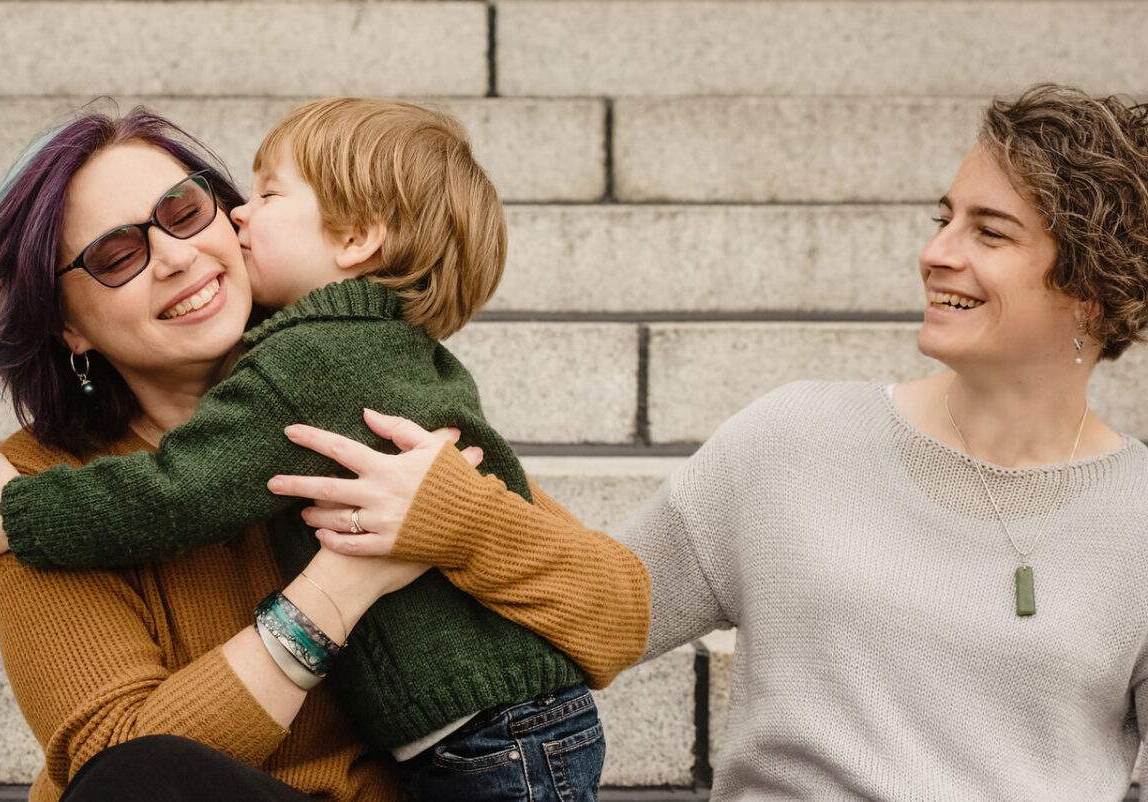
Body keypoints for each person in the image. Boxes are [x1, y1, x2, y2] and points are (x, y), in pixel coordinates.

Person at [266, 84, 1148, 801]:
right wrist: (464, 513)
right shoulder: (798, 438)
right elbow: (614, 611)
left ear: (1093, 291)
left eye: (989, 232)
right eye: (943, 216)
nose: (937, 252)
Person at [0, 106, 648, 801]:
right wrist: (344, 582)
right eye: (116, 255)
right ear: (68, 324)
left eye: (185, 211)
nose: (175, 254)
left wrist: (457, 521)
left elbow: (620, 617)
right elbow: (121, 767)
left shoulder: (349, 392)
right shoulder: (36, 486)